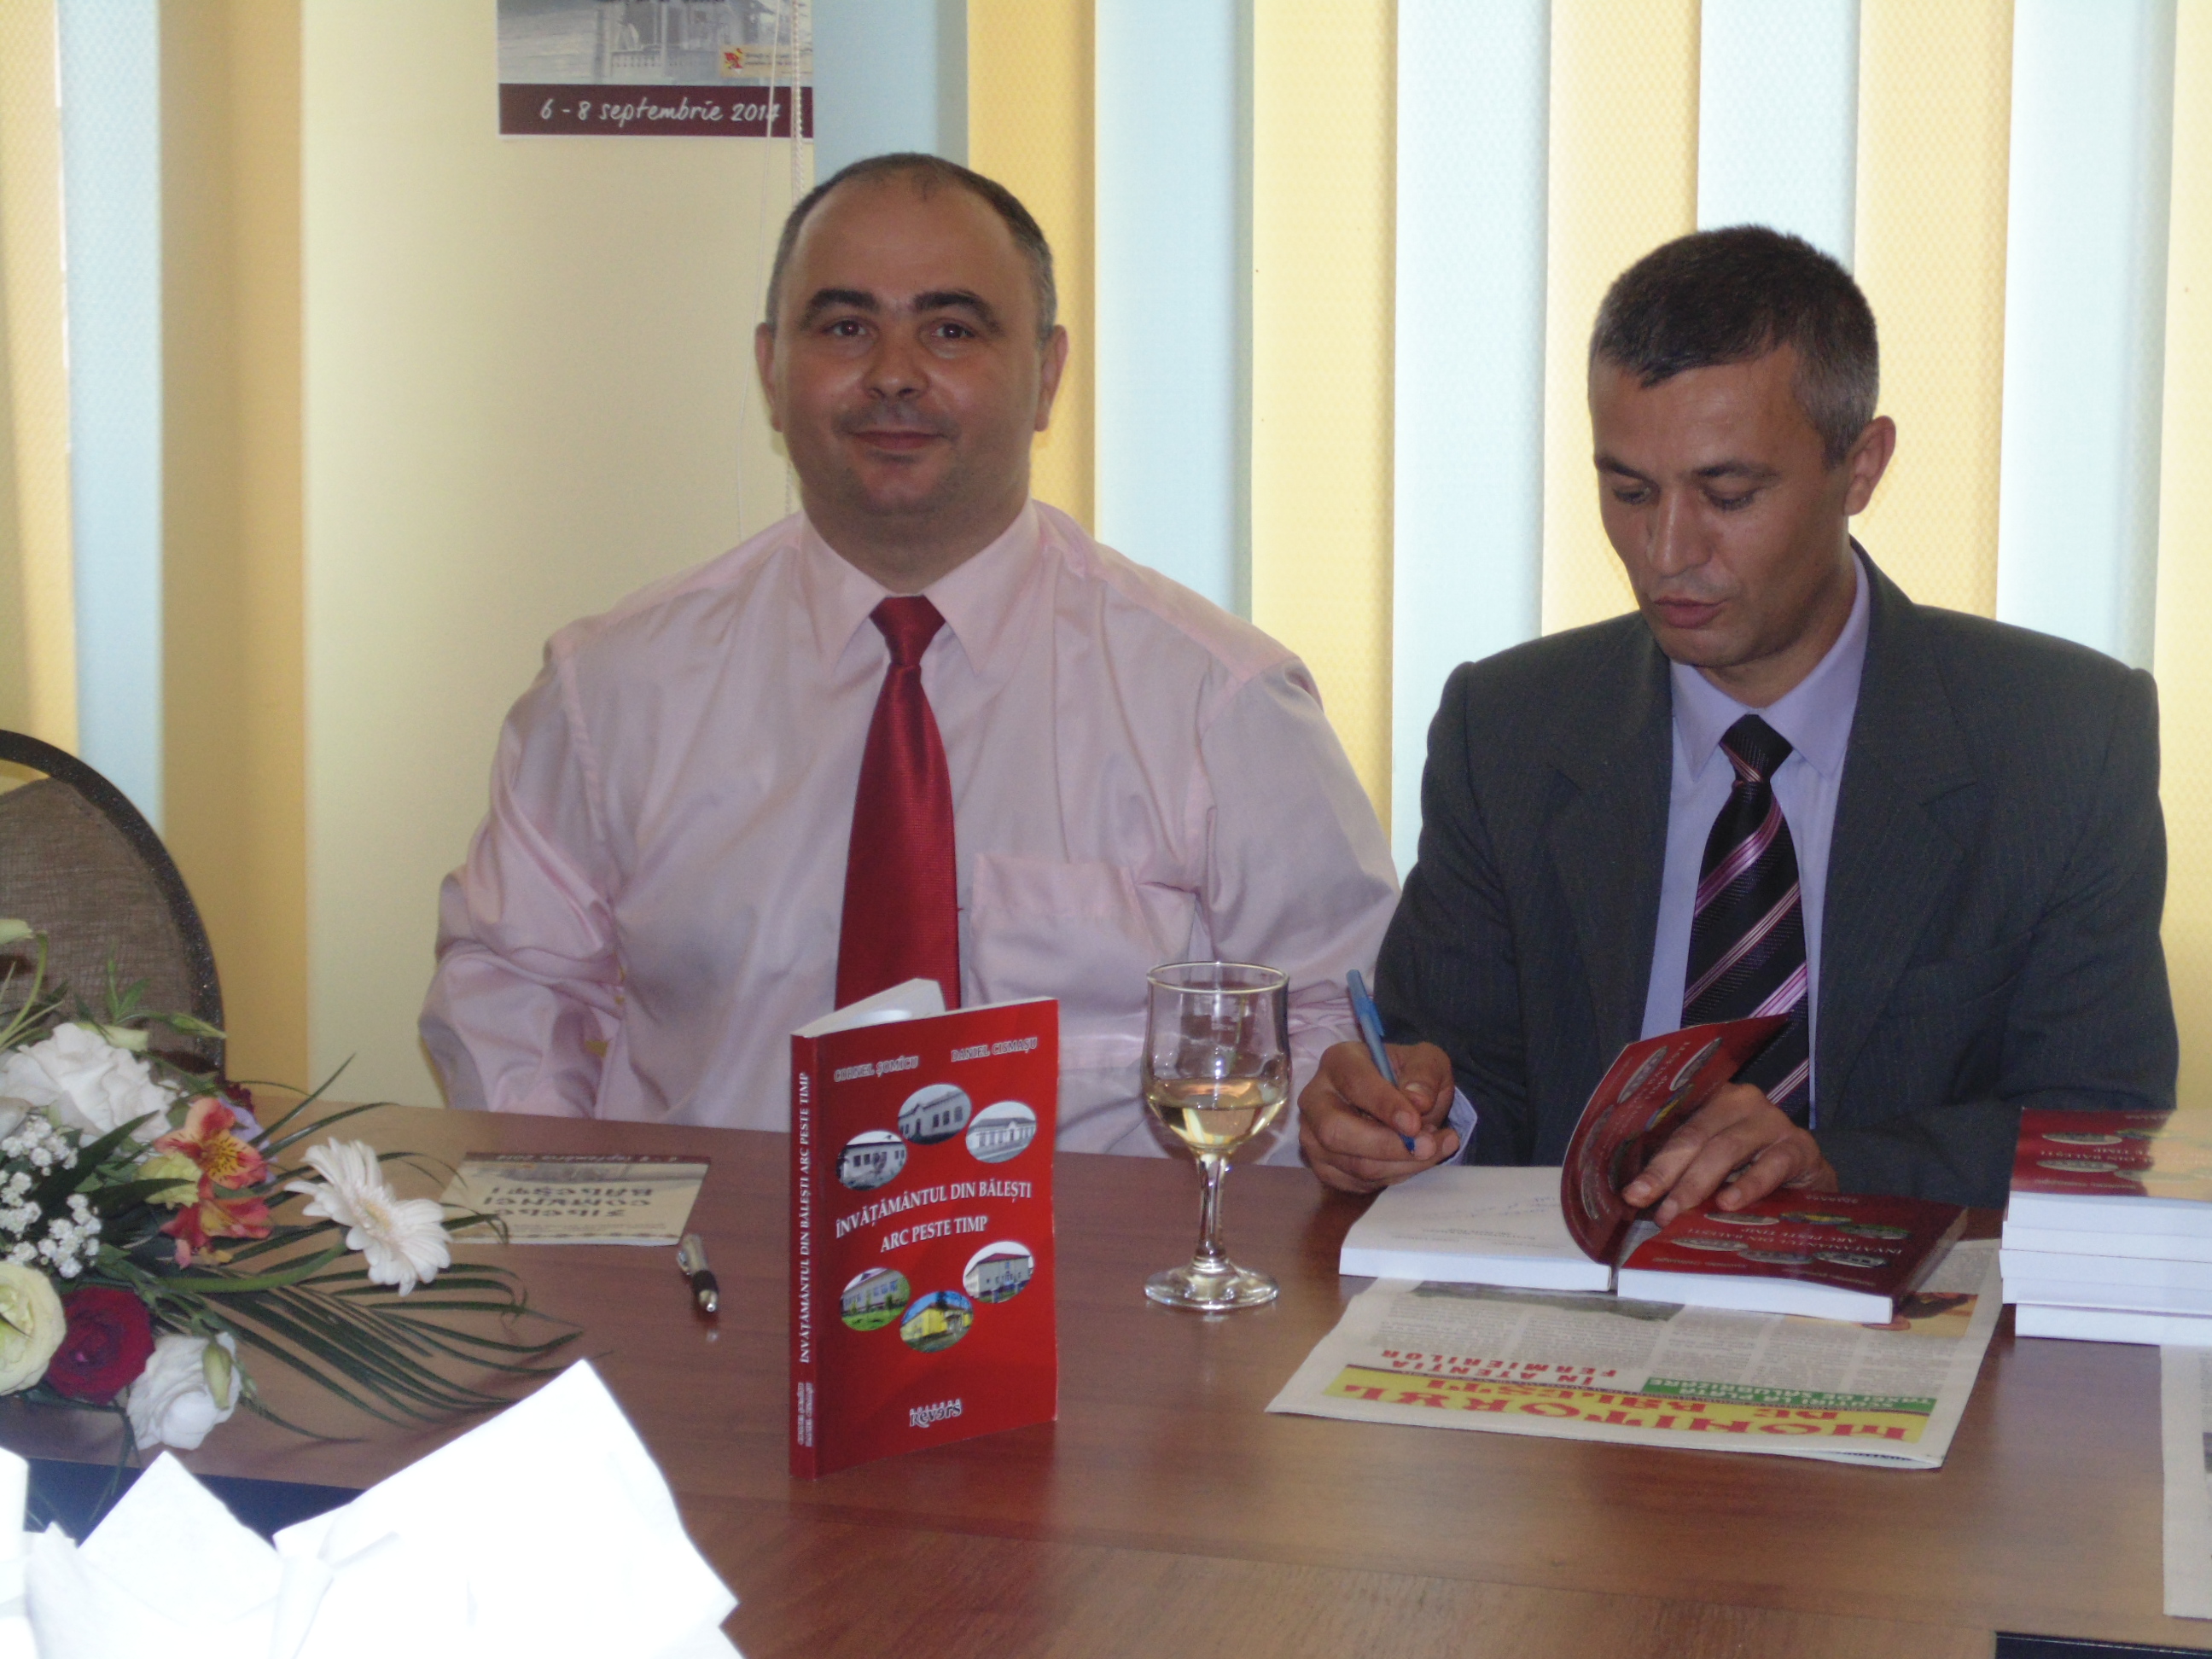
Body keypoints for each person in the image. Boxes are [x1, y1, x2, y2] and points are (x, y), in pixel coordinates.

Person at [421, 153, 1398, 1155]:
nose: (893, 373)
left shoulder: (1220, 703)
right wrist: (572, 1218)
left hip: (1099, 1253)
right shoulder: (612, 693)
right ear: (770, 369)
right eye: (846, 327)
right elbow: (513, 985)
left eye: (952, 329)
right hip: (719, 1246)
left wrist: (1330, 1136)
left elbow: (1339, 1023)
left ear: (1047, 375)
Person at [1299, 226, 2175, 1212]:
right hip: (1571, 1290)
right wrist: (1404, 1123)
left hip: (1901, 1289)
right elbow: (1464, 1077)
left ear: (1862, 467)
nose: (1666, 550)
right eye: (1629, 491)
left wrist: (1837, 1168)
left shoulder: (2061, 739)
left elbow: (2101, 1128)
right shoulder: (1506, 729)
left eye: (1728, 493)